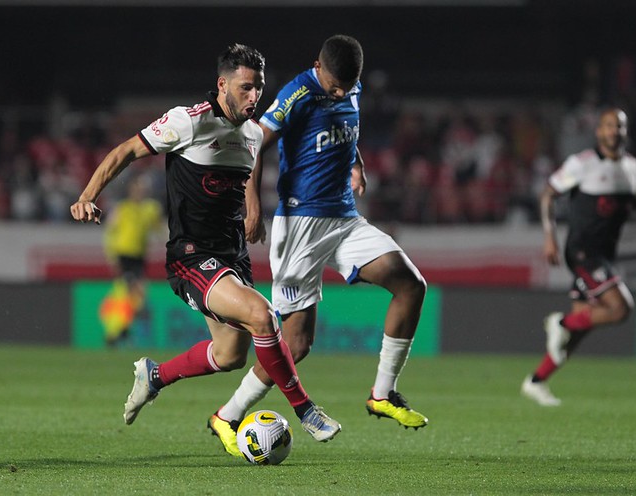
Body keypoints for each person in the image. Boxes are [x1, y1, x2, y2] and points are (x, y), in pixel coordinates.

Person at [70, 43, 341, 442]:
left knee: (231, 355)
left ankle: (155, 375)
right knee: (264, 316)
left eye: (259, 88)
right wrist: (88, 195)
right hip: (191, 257)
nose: (254, 97)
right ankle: (305, 409)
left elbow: (249, 164)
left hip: (234, 255)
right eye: (246, 88)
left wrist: (253, 209)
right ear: (222, 85)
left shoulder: (250, 133)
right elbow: (127, 150)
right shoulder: (189, 121)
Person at [207, 35, 428, 458]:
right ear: (317, 67)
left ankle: (383, 393)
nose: (341, 92)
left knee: (411, 284)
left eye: (349, 86)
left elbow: (347, 128)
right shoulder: (299, 93)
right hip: (301, 227)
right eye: (335, 86)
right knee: (297, 343)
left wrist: (356, 164)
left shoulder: (349, 86)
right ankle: (228, 415)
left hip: (344, 220)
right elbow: (253, 145)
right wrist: (252, 204)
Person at [521, 108, 636, 406]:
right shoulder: (582, 163)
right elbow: (548, 194)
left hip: (604, 254)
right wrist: (549, 236)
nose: (614, 131)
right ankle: (560, 323)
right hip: (582, 252)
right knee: (620, 307)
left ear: (626, 132)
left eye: (620, 126)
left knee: (581, 327)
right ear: (599, 131)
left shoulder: (631, 166)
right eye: (609, 126)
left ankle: (536, 381)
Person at [100, 173, 163, 346]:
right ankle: (114, 331)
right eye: (137, 187)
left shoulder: (150, 208)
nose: (140, 190)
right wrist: (112, 257)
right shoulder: (122, 208)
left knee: (139, 294)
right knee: (126, 292)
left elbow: (159, 231)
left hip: (139, 256)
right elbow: (110, 233)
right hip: (123, 254)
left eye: (143, 188)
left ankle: (121, 328)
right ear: (131, 189)